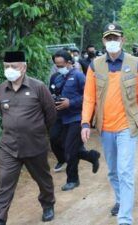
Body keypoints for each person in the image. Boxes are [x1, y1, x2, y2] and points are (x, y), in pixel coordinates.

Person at [81, 23, 138, 225]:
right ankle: (121, 201)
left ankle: (125, 219)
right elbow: (89, 97)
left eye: (116, 38)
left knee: (125, 171)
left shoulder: (134, 63)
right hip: (105, 127)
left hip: (127, 127)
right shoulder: (95, 65)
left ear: (123, 40)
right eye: (108, 38)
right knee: (113, 171)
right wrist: (85, 123)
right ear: (104, 41)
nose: (112, 42)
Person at [0, 51, 57, 225]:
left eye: (14, 66)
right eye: (6, 67)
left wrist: (38, 131)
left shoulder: (38, 87)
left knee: (43, 179)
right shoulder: (1, 89)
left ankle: (48, 204)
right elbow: (2, 114)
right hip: (9, 146)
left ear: (24, 66)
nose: (10, 70)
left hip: (35, 145)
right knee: (4, 182)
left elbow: (50, 113)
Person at [50, 50, 100, 191]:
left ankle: (73, 179)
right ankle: (90, 156)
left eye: (61, 64)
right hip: (60, 117)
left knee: (70, 149)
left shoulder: (79, 76)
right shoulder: (55, 77)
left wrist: (70, 103)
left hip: (76, 117)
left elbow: (89, 96)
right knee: (54, 140)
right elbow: (51, 94)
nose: (59, 67)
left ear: (69, 62)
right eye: (57, 65)